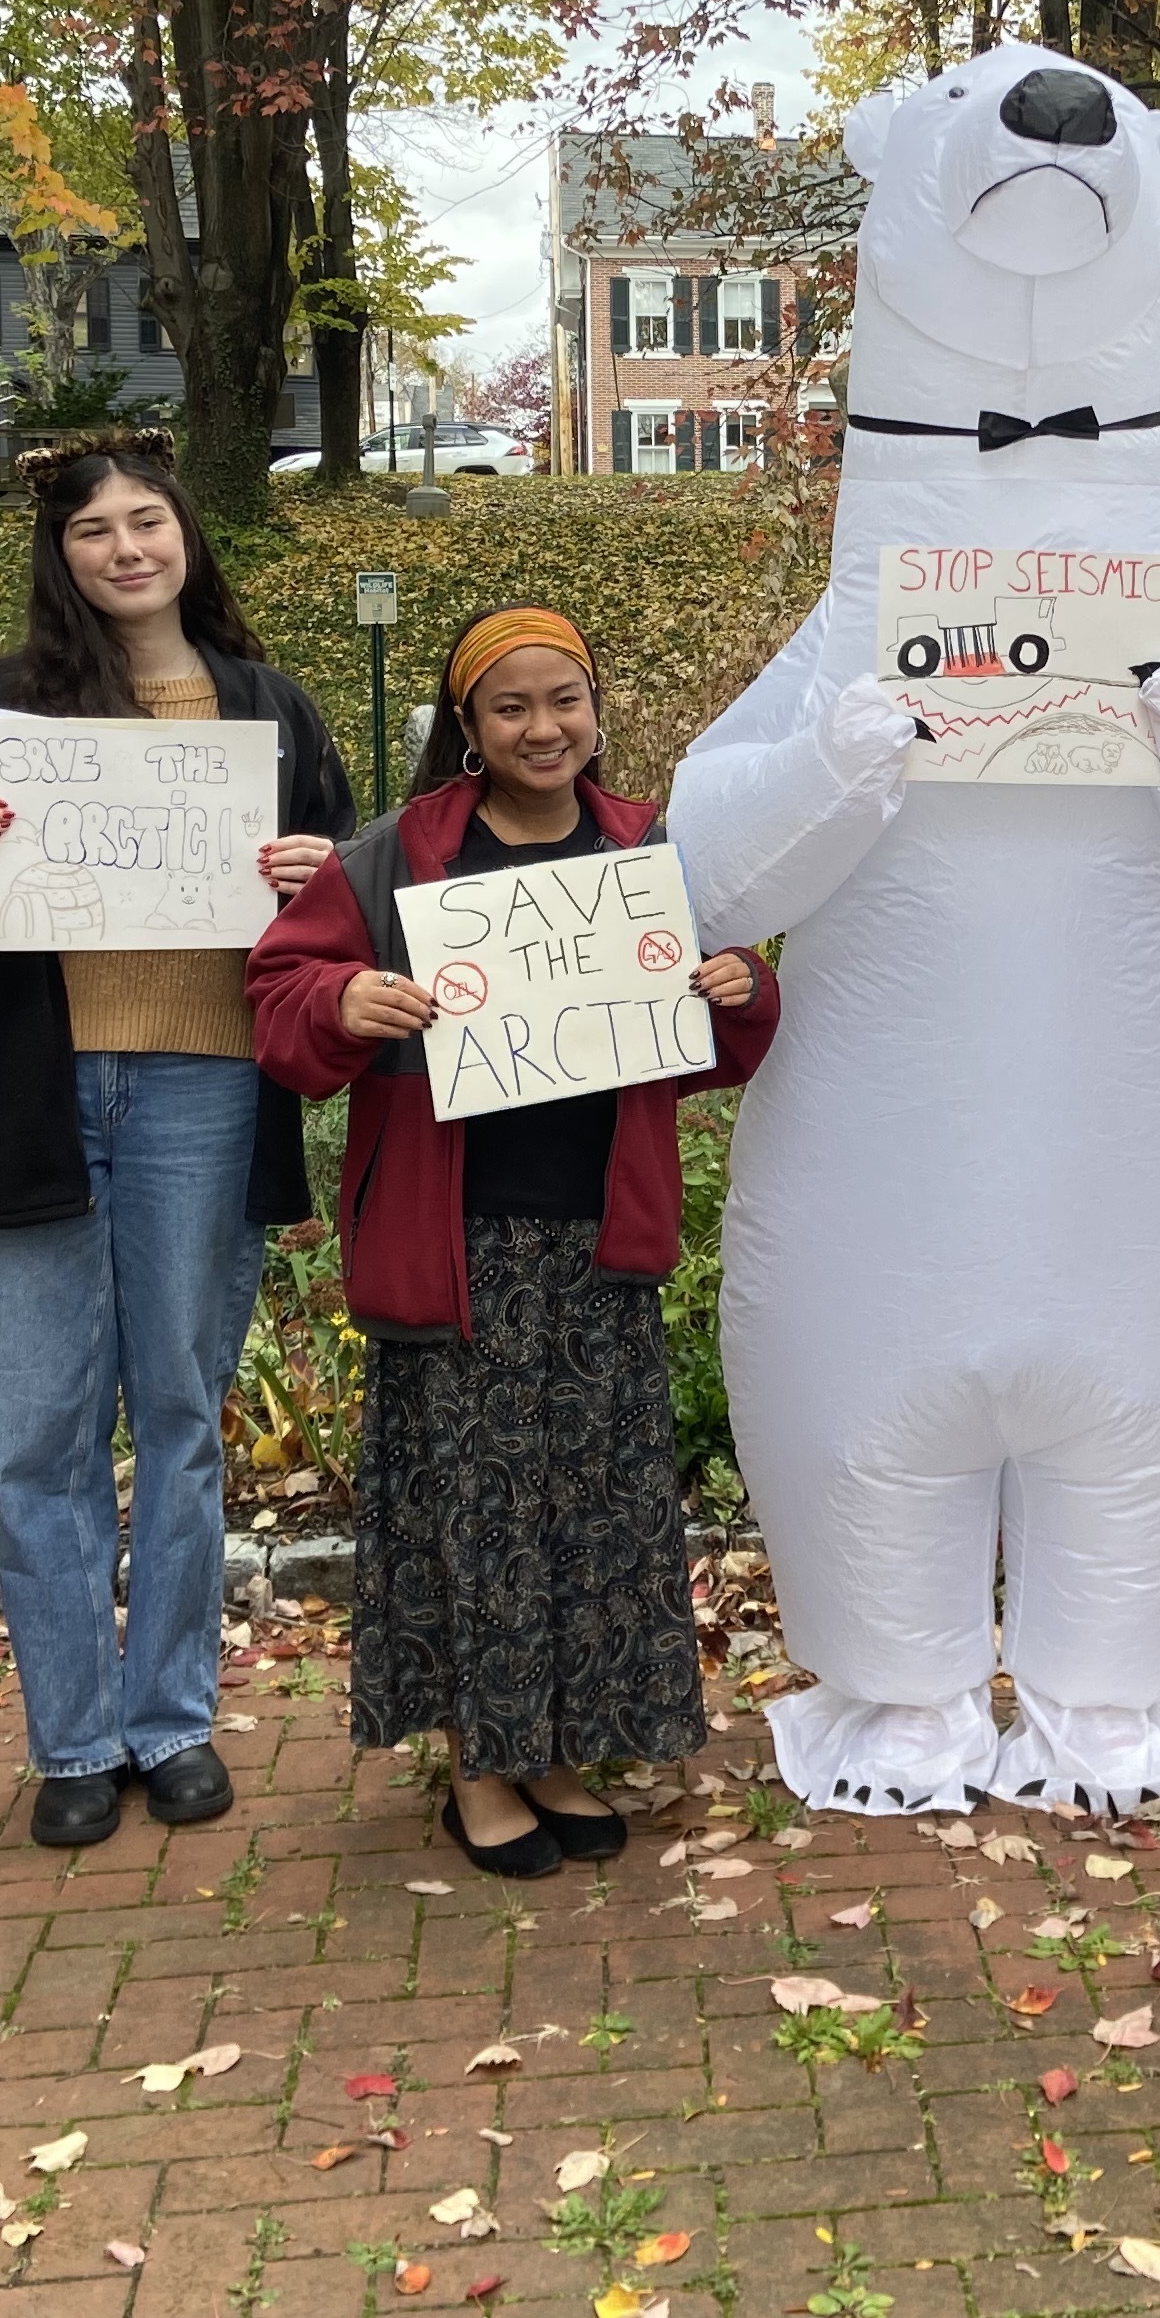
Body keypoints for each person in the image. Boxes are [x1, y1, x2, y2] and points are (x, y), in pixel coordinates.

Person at [245, 607, 778, 1877]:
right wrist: (346, 998)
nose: (545, 729)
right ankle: (480, 1769)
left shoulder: (649, 848)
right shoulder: (396, 859)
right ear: (467, 729)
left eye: (567, 701)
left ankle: (559, 1750)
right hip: (457, 1239)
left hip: (598, 1238)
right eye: (512, 707)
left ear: (597, 711)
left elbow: (713, 1032)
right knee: (477, 1512)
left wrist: (740, 991)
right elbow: (279, 1001)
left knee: (589, 1511)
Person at [0, 434, 351, 1849]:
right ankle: (74, 1738)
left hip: (206, 1089)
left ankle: (171, 1717)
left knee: (177, 1413)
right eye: (92, 530)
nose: (123, 549)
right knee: (39, 1434)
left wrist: (315, 876)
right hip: (42, 1088)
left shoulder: (267, 710)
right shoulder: (2, 709)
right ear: (62, 554)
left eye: (146, 521)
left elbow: (342, 907)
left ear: (186, 537)